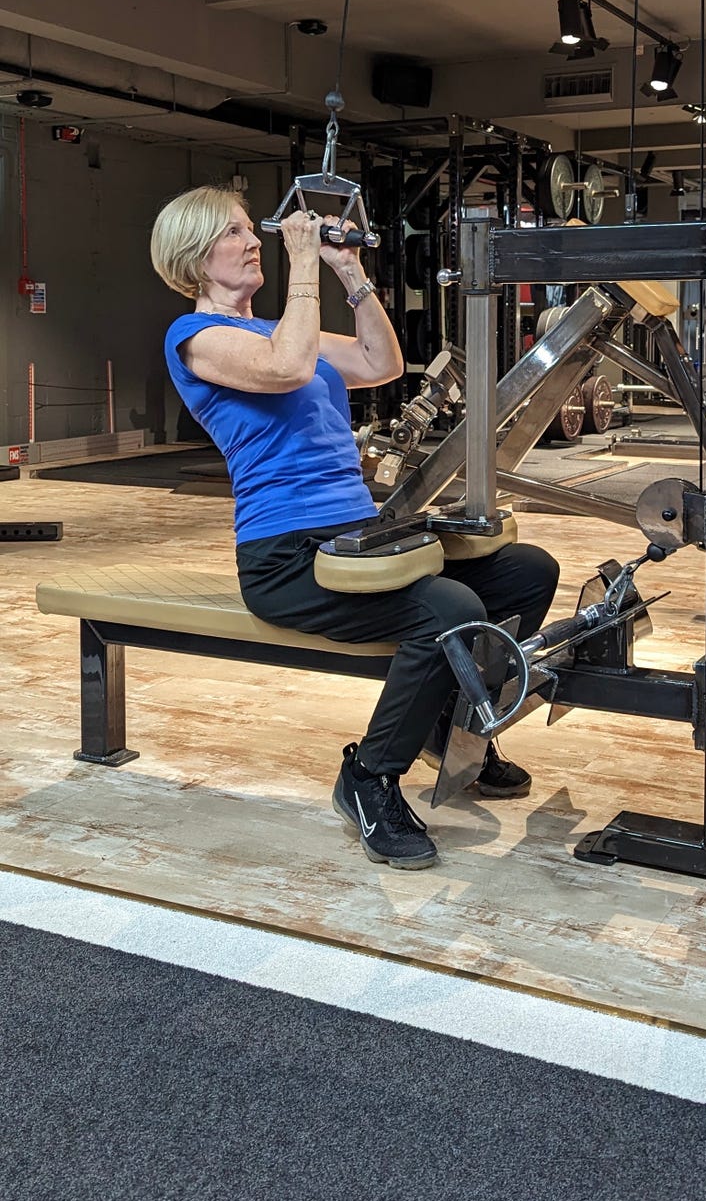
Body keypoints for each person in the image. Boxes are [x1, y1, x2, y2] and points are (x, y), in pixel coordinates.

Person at [150, 186, 560, 872]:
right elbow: (285, 367)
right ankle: (369, 777)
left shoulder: (283, 328)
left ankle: (451, 725)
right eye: (234, 232)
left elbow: (380, 363)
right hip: (286, 558)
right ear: (194, 256)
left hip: (357, 539)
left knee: (527, 572)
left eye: (252, 229)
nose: (253, 242)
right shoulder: (194, 338)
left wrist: (349, 272)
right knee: (448, 609)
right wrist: (301, 262)